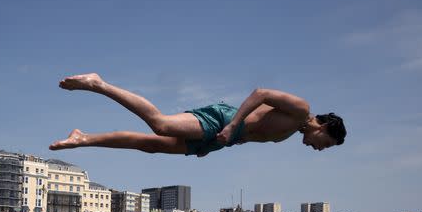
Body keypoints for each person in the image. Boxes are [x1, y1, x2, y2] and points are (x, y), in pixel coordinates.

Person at [50, 73, 346, 157]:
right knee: (161, 124)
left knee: (149, 144)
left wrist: (219, 144)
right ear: (326, 128)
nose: (320, 149)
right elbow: (261, 93)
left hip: (220, 138)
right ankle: (97, 84)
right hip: (223, 120)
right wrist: (231, 126)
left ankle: (83, 139)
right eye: (326, 145)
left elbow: (252, 135)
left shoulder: (289, 134)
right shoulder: (301, 110)